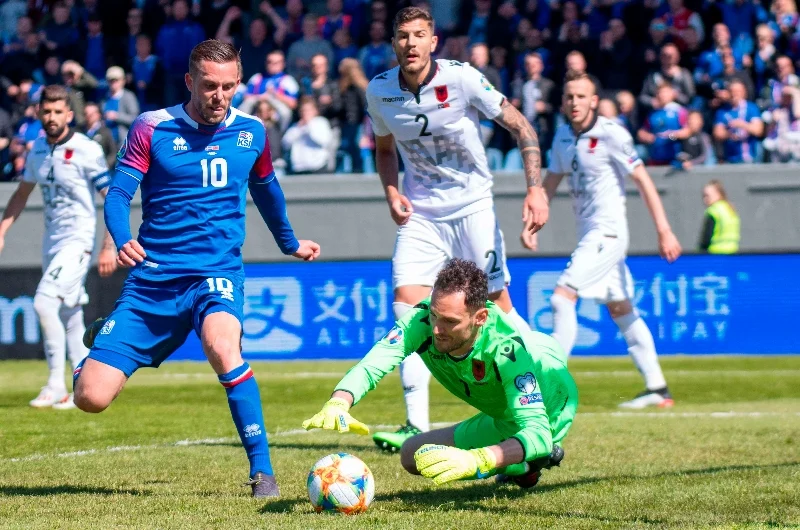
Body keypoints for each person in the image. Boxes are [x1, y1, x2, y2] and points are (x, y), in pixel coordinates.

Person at [76, 40, 321, 498]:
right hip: (153, 280)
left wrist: (290, 243)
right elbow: (116, 194)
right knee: (91, 399)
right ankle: (97, 347)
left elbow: (267, 192)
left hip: (217, 274)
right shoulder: (152, 127)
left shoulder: (253, 132)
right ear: (190, 81)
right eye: (210, 86)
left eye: (230, 86)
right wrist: (122, 236)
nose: (220, 96)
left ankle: (263, 472)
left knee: (222, 347)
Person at [364, 6, 550, 453]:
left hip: (472, 209)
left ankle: (540, 393)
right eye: (403, 36)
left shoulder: (463, 78)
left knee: (499, 311)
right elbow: (385, 149)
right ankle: (414, 424)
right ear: (394, 44)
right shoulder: (380, 92)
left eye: (420, 35)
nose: (411, 43)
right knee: (409, 312)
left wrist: (535, 190)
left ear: (434, 41)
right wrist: (392, 192)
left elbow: (521, 125)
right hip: (423, 215)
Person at [302, 258, 577, 489]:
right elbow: (373, 364)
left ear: (480, 317)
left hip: (552, 403)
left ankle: (532, 460)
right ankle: (522, 464)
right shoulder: (421, 321)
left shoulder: (507, 350)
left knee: (534, 445)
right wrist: (339, 401)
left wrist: (477, 460)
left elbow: (538, 432)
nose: (436, 329)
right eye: (435, 315)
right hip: (501, 416)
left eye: (450, 322)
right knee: (412, 455)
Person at [525, 70, 682, 409]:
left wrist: (664, 229)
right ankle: (658, 388)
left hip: (607, 233)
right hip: (590, 233)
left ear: (594, 101)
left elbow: (642, 180)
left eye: (581, 96)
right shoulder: (563, 136)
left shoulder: (612, 134)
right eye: (569, 97)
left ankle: (550, 385)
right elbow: (551, 181)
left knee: (561, 298)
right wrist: (534, 220)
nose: (574, 102)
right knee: (621, 309)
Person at [0, 85, 117, 409]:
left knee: (43, 302)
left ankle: (55, 385)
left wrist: (109, 245)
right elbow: (22, 194)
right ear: (38, 113)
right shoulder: (37, 149)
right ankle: (85, 383)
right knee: (69, 315)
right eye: (46, 111)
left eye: (57, 112)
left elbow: (112, 199)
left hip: (78, 241)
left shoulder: (86, 149)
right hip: (51, 243)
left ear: (69, 115)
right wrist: (2, 230)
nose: (50, 117)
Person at [699, 180, 740, 254]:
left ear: (718, 194)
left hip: (716, 254)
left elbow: (706, 239)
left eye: (707, 196)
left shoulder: (713, 211)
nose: (705, 199)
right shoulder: (730, 209)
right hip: (733, 253)